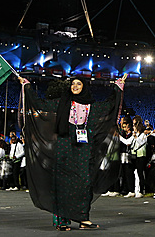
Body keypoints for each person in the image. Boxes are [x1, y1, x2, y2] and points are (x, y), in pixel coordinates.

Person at [19, 74, 126, 231]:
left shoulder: (93, 106)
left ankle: (83, 218)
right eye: (72, 84)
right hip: (64, 146)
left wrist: (118, 86)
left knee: (84, 181)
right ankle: (62, 220)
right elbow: (40, 103)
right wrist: (27, 86)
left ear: (84, 87)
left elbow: (110, 104)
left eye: (78, 84)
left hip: (84, 148)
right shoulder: (62, 103)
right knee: (63, 182)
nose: (75, 86)